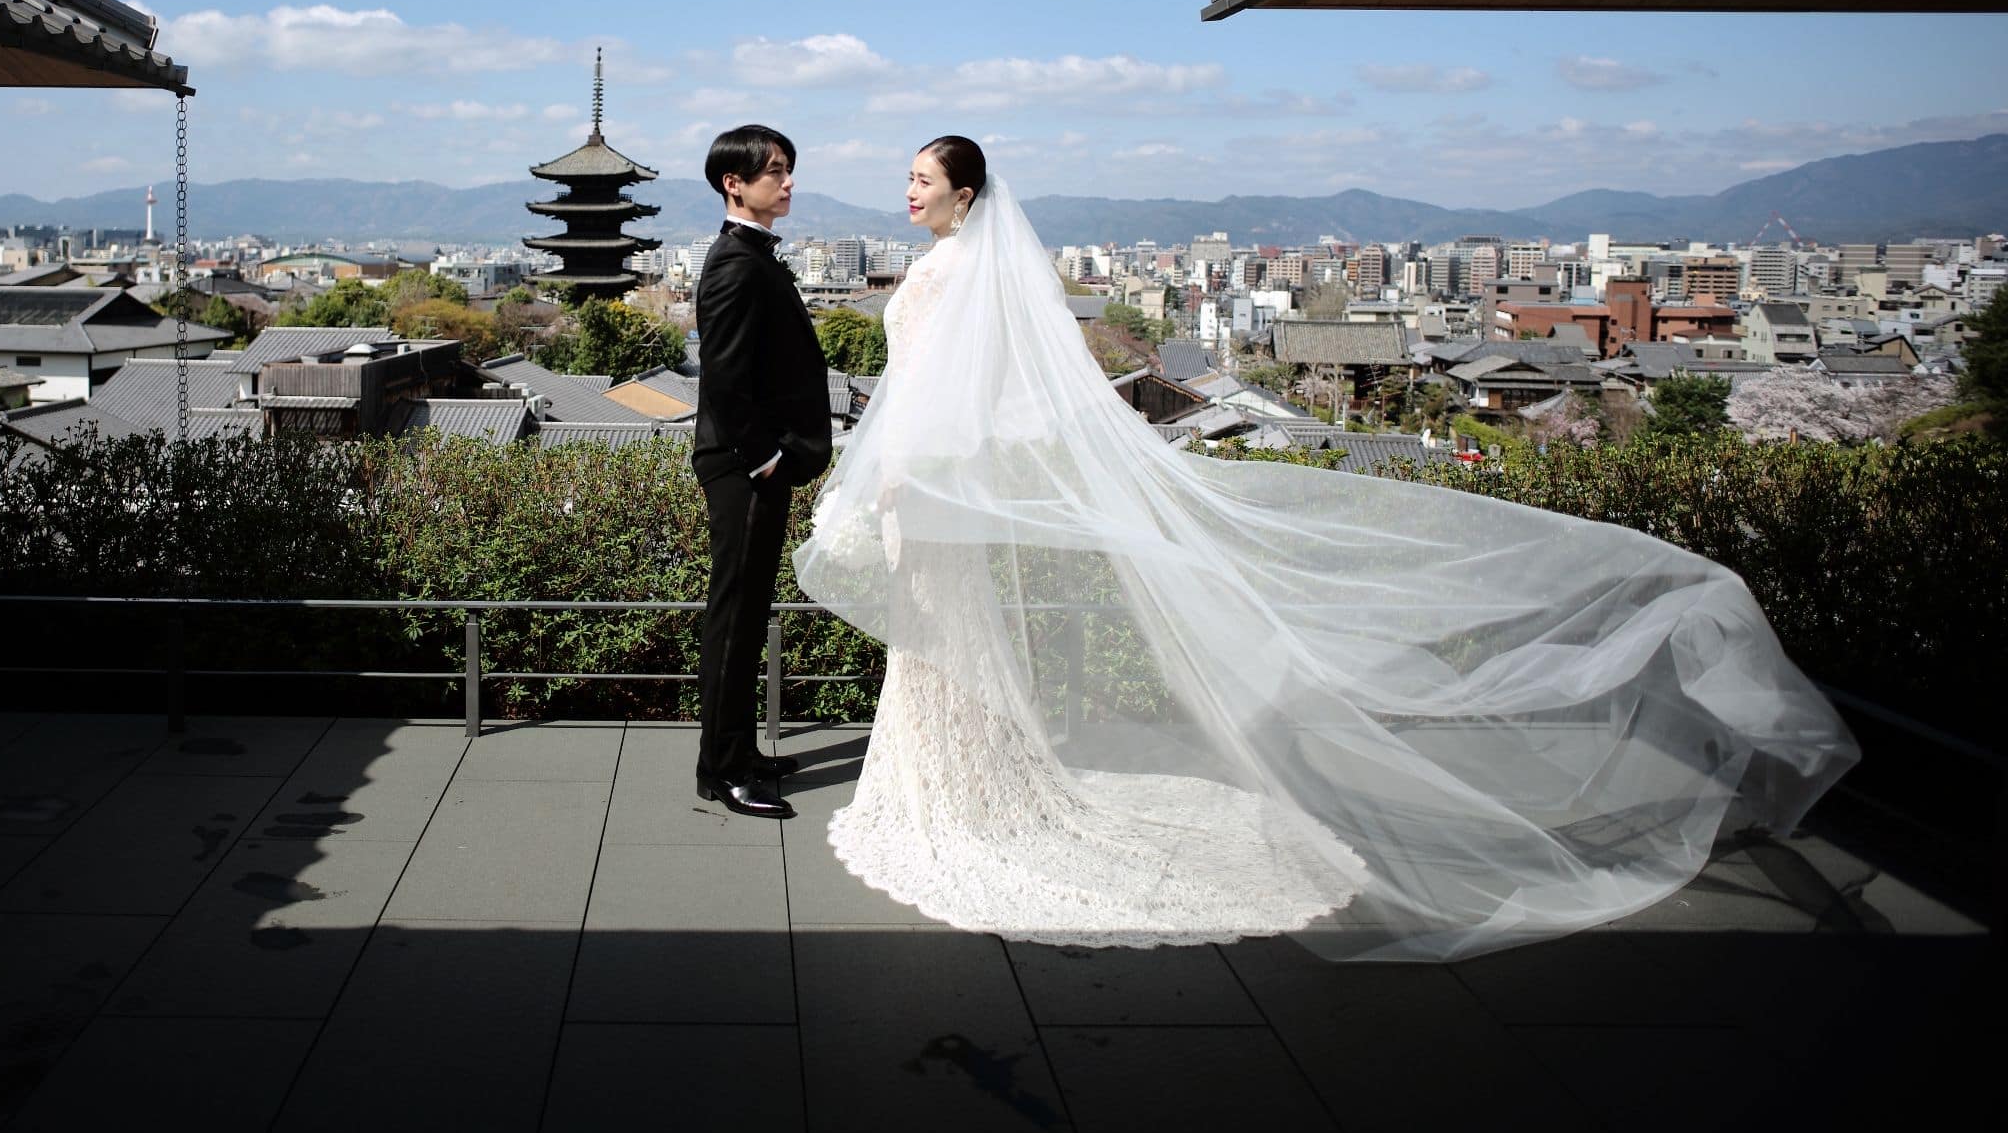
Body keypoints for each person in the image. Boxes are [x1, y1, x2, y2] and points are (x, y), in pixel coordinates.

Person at [791, 135, 1858, 960]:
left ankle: (952, 794)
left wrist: (885, 482)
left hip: (921, 488)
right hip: (959, 489)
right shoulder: (988, 279)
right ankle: (975, 785)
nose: (908, 191)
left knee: (937, 647)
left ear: (965, 194)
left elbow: (924, 398)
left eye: (922, 178)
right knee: (955, 643)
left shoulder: (934, 280)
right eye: (908, 178)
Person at [689, 125, 832, 820]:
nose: (788, 181)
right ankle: (721, 770)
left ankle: (738, 753)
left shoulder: (752, 256)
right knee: (734, 619)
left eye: (788, 169)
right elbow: (723, 379)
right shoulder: (734, 264)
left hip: (752, 465)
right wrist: (766, 458)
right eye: (776, 170)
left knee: (746, 618)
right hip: (744, 468)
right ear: (734, 183)